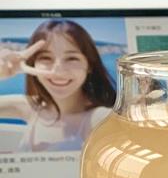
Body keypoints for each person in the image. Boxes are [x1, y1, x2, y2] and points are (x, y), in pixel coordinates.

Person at [0, 20, 116, 152]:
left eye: (71, 58)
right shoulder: (32, 107)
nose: (58, 71)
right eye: (46, 58)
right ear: (33, 64)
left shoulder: (99, 118)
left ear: (89, 65)